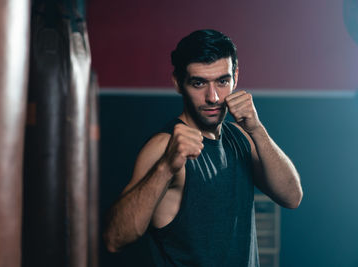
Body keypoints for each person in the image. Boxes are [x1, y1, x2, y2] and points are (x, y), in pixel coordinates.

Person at [103, 29, 303, 266]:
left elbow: (292, 197)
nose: (213, 97)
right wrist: (166, 166)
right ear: (178, 83)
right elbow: (114, 238)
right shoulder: (164, 146)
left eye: (222, 81)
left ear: (235, 77)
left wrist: (257, 129)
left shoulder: (241, 137)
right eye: (199, 83)